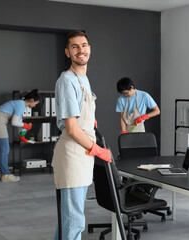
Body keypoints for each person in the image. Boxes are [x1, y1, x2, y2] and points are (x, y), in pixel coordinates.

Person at [51, 30, 111, 240]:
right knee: (74, 221)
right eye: (74, 47)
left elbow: (82, 115)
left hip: (83, 154)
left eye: (84, 45)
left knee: (69, 218)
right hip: (73, 155)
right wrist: (98, 150)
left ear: (90, 49)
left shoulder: (83, 79)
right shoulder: (67, 80)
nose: (80, 50)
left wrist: (92, 122)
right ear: (67, 52)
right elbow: (72, 128)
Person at [0, 89, 39, 182]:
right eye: (35, 103)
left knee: (5, 149)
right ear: (31, 100)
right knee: (5, 149)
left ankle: (5, 174)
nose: (35, 105)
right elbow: (14, 122)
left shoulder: (20, 104)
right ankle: (5, 175)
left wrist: (23, 138)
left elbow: (18, 123)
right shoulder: (21, 105)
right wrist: (26, 126)